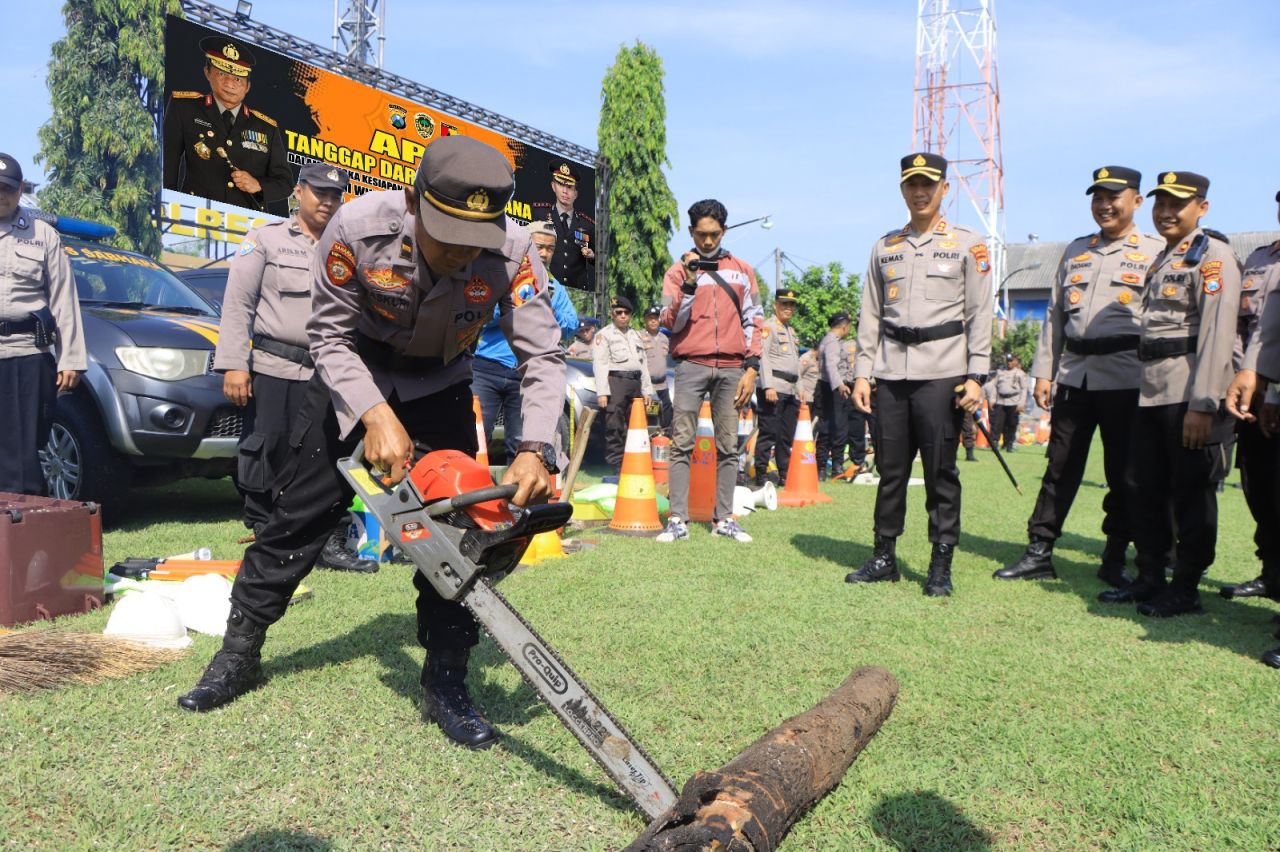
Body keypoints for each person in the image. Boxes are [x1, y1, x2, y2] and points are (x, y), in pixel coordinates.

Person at [178, 137, 566, 755]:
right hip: (350, 378)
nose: (464, 253)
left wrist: (535, 448)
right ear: (412, 201)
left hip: (441, 382)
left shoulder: (515, 253)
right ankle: (238, 652)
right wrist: (375, 414)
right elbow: (327, 338)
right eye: (448, 237)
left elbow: (543, 355)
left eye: (477, 240)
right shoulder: (355, 229)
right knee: (296, 520)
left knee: (460, 539)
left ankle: (446, 680)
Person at [997, 166, 1162, 586]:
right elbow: (1054, 316)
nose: (1105, 206)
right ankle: (1039, 551)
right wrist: (1044, 372)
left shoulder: (1157, 250)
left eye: (1114, 197)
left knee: (1123, 473)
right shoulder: (1075, 251)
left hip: (1127, 376)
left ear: (1137, 202)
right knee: (1059, 467)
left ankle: (1113, 557)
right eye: (1098, 198)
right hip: (1075, 375)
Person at [213, 164, 376, 573]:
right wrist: (234, 364)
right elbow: (238, 303)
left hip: (329, 373)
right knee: (267, 450)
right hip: (273, 367)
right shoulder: (266, 239)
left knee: (327, 456)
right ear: (298, 192)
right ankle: (266, 533)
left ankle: (329, 540)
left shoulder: (347, 248)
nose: (327, 201)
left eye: (335, 195)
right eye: (319, 192)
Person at [846, 152, 992, 596]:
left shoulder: (969, 244)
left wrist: (977, 375)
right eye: (912, 184)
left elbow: (979, 312)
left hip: (942, 373)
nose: (920, 192)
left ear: (944, 189)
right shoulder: (884, 246)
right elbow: (870, 314)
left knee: (940, 472)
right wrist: (862, 373)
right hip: (890, 373)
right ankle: (884, 557)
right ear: (902, 190)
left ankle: (939, 565)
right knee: (890, 471)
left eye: (929, 184)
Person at [1098, 171, 1239, 616]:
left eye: (1177, 204)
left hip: (1188, 391)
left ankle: (1186, 586)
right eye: (1160, 204)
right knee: (1143, 485)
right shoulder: (1163, 256)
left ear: (1202, 207)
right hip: (1152, 389)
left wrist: (1203, 405)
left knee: (1190, 492)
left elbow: (1216, 335)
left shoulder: (1212, 257)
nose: (1166, 212)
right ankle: (1150, 576)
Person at [657, 199, 763, 543]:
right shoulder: (676, 271)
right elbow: (670, 322)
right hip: (691, 365)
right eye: (701, 234)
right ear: (691, 232)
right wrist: (689, 283)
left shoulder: (743, 270)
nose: (707, 241)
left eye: (714, 234)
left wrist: (752, 368)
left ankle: (724, 519)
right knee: (681, 443)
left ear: (724, 231)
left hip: (734, 368)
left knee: (729, 446)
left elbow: (754, 320)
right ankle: (678, 519)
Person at [0, 153, 85, 495]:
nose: (1, 196)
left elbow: (64, 297)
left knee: (23, 452)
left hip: (27, 354)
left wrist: (71, 358)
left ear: (21, 190)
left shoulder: (43, 235)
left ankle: (23, 528)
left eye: (7, 189)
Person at [473, 220, 578, 460]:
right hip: (487, 367)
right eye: (539, 246)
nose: (544, 253)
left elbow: (571, 325)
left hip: (527, 374)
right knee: (475, 438)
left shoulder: (554, 288)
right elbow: (481, 318)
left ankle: (515, 496)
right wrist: (513, 309)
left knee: (523, 447)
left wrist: (542, 311)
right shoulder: (500, 276)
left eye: (550, 248)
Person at [1220, 191, 1280, 606]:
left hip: (1275, 389)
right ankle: (1270, 573)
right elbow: (1242, 328)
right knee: (1258, 488)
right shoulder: (1258, 259)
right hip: (1252, 396)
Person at [163, 36, 293, 212]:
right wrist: (166, 207)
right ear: (207, 72)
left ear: (248, 86)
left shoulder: (267, 127)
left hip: (245, 223)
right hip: (195, 213)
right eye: (222, 74)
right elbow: (166, 165)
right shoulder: (184, 107)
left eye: (238, 79)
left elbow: (285, 183)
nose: (230, 84)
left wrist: (258, 185)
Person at [593, 296, 654, 468]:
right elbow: (600, 365)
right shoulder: (604, 335)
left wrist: (647, 390)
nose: (622, 316)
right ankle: (615, 464)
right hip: (616, 382)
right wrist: (602, 392)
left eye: (626, 313)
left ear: (631, 315)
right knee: (615, 425)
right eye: (618, 312)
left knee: (636, 424)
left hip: (635, 383)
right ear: (612, 314)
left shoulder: (635, 335)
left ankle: (634, 461)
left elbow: (643, 364)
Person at [755, 288, 802, 485]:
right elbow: (762, 357)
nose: (788, 308)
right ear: (775, 305)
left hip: (790, 389)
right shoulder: (768, 327)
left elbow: (795, 363)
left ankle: (784, 473)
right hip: (774, 387)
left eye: (791, 305)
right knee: (769, 432)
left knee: (786, 435)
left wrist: (800, 388)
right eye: (784, 304)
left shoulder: (791, 331)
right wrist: (768, 386)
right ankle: (761, 473)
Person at [532, 161, 595, 291]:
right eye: (561, 184)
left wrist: (592, 256)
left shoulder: (587, 224)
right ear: (553, 186)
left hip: (577, 292)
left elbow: (602, 262)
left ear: (576, 193)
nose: (565, 191)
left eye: (570, 187)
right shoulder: (539, 213)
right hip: (545, 286)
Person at [816, 312, 853, 480]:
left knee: (835, 428)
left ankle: (829, 467)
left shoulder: (832, 341)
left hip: (832, 387)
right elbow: (832, 366)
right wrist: (840, 385)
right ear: (844, 326)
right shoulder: (832, 342)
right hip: (832, 388)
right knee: (834, 428)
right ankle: (828, 466)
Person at [641, 305, 672, 434]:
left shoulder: (665, 338)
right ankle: (649, 435)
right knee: (650, 412)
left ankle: (665, 434)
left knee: (667, 409)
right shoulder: (639, 337)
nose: (653, 321)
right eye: (650, 318)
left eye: (656, 318)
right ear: (645, 320)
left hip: (662, 383)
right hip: (648, 384)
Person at [990, 353, 1028, 451]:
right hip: (1001, 401)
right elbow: (994, 386)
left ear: (1016, 361)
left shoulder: (1020, 373)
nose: (1009, 362)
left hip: (1014, 401)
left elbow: (1024, 389)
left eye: (1011, 360)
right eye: (1008, 361)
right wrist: (992, 399)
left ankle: (1009, 444)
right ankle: (995, 443)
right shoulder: (1000, 372)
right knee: (997, 423)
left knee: (1011, 424)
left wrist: (1021, 403)